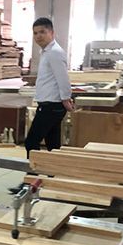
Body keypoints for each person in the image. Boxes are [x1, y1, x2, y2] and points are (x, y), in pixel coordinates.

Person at [24, 17, 74, 157]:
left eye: (42, 32)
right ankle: (53, 170)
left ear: (52, 33)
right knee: (53, 145)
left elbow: (63, 78)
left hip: (51, 106)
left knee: (31, 142)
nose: (38, 36)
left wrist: (66, 99)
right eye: (35, 33)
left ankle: (33, 170)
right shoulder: (47, 52)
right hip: (50, 105)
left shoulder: (54, 52)